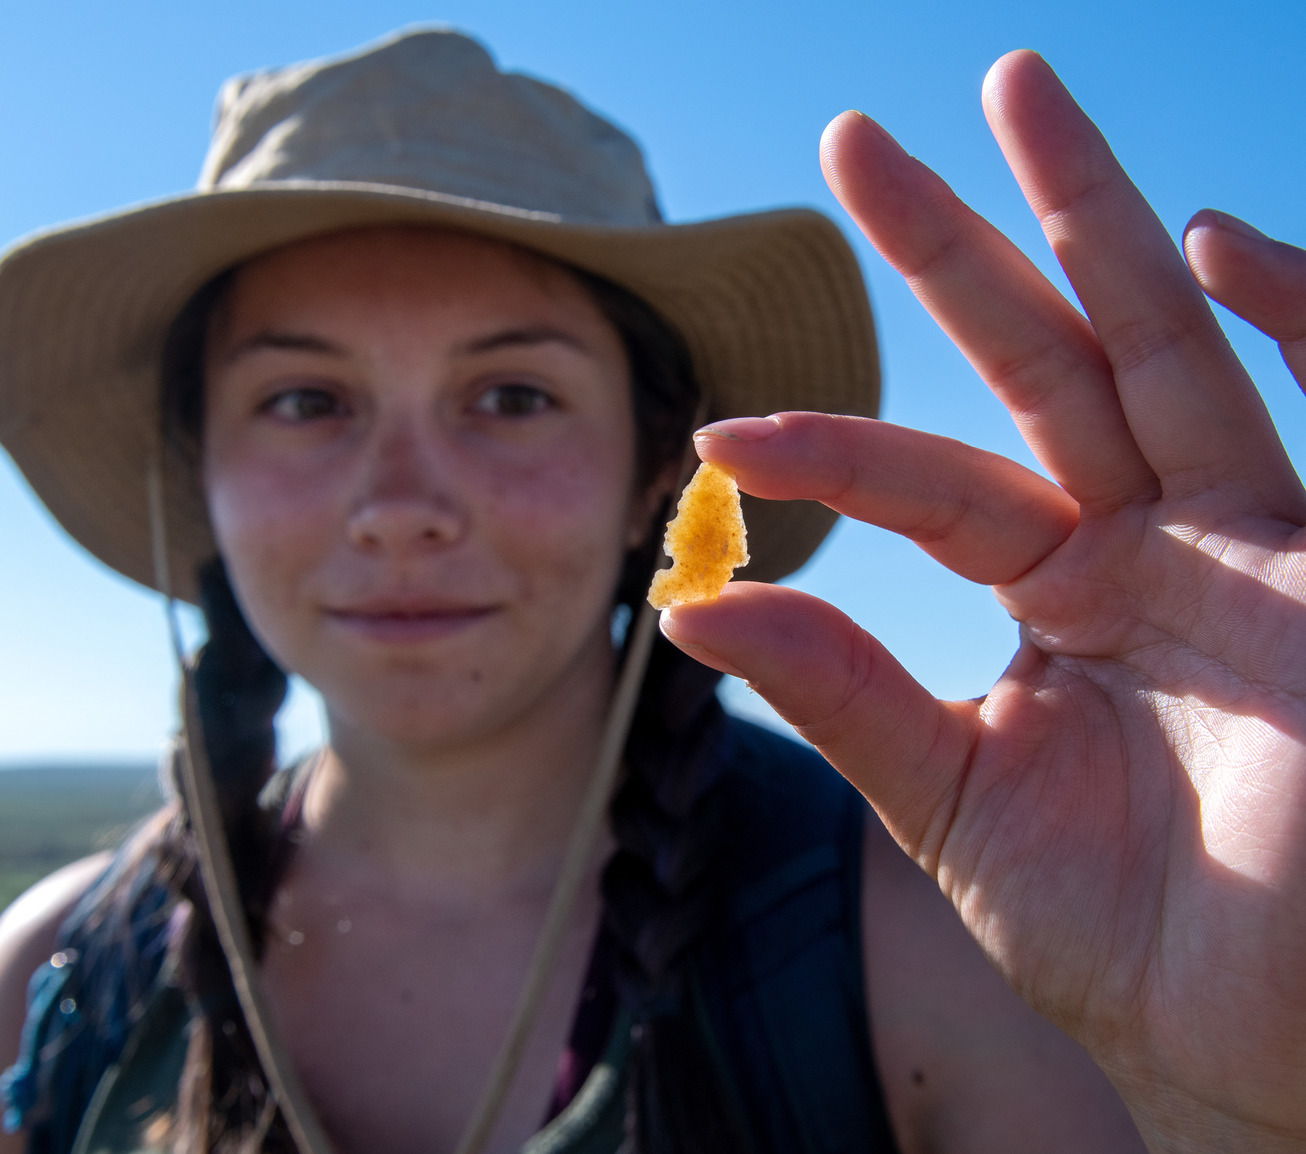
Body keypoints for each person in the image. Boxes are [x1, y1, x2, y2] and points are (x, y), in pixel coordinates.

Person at [0, 27, 1295, 1154]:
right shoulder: (55, 983)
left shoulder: (938, 955)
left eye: (512, 395)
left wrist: (1240, 1106)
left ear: (653, 479)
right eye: (302, 399)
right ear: (199, 476)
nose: (399, 502)